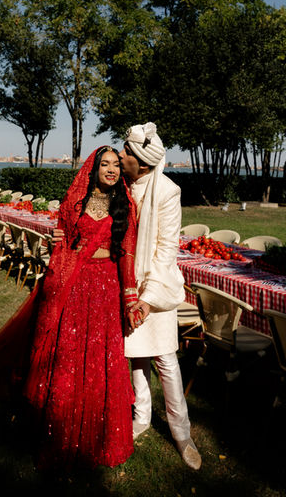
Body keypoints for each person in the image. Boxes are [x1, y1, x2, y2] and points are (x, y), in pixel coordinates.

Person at [0, 147, 139, 470]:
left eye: (116, 165)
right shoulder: (74, 202)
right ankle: (60, 429)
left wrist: (130, 297)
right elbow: (63, 244)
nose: (111, 169)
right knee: (69, 353)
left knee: (99, 356)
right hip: (75, 286)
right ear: (92, 170)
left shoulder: (125, 206)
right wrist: (57, 241)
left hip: (106, 290)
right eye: (104, 164)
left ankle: (100, 435)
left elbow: (128, 254)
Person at [119, 122, 202, 471]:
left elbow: (167, 251)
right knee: (136, 355)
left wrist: (149, 297)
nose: (120, 155)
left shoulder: (168, 191)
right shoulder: (120, 185)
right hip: (125, 284)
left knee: (166, 359)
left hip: (158, 285)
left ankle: (182, 433)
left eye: (126, 151)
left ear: (141, 162)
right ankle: (141, 416)